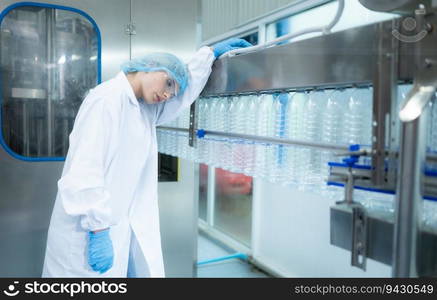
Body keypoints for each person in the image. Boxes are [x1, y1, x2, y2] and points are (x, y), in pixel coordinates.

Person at [42, 38, 252, 277]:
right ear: (148, 66)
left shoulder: (143, 110)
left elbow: (183, 93)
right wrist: (98, 230)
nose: (166, 94)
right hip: (83, 235)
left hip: (111, 227)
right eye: (167, 83)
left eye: (171, 92)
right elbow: (83, 173)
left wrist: (208, 54)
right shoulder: (106, 101)